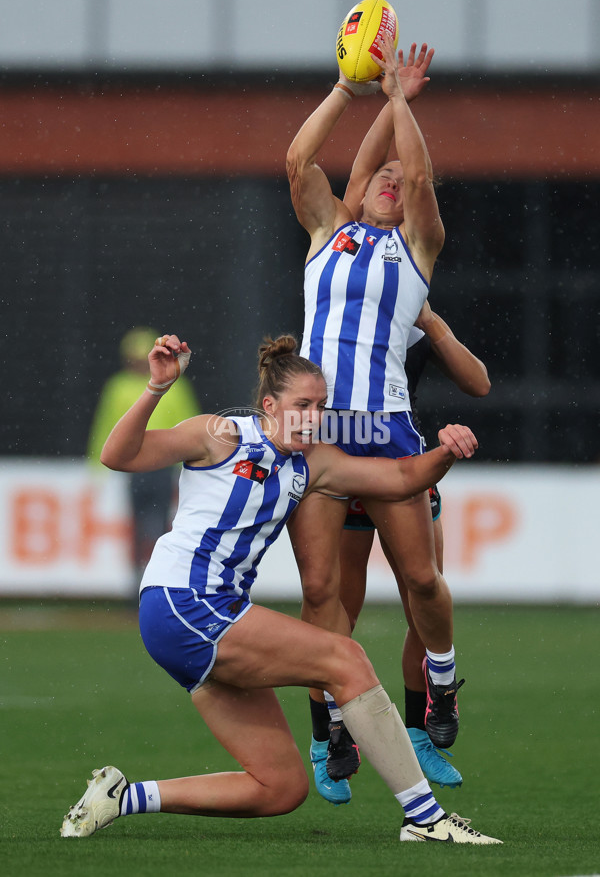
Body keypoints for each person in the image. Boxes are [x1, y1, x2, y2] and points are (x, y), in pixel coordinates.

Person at [60, 332, 500, 845]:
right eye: (301, 405)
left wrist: (446, 450)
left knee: (279, 788)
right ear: (269, 405)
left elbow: (402, 477)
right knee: (346, 660)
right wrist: (157, 388)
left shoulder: (313, 464)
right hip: (184, 603)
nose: (313, 416)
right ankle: (426, 820)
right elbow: (118, 454)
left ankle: (124, 797)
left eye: (319, 406)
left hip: (210, 616)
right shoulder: (220, 435)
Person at [285, 34, 469, 799]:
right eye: (379, 175)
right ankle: (332, 729)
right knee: (327, 594)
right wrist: (347, 89)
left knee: (422, 581)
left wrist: (399, 101)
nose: (394, 180)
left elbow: (419, 171)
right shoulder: (328, 230)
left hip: (388, 436)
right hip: (326, 441)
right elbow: (300, 164)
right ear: (357, 191)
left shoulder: (417, 249)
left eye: (401, 179)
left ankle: (441, 692)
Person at [333, 303, 491, 800]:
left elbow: (479, 383)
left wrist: (432, 320)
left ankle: (422, 730)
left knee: (423, 595)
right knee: (337, 607)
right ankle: (329, 737)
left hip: (406, 474)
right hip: (346, 483)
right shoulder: (329, 330)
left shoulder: (408, 330)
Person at [87, 326, 200, 589]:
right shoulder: (119, 386)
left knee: (161, 527)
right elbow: (106, 426)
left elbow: (190, 425)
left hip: (161, 467)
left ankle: (157, 582)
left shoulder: (174, 384)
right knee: (140, 528)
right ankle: (140, 584)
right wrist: (98, 464)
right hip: (135, 468)